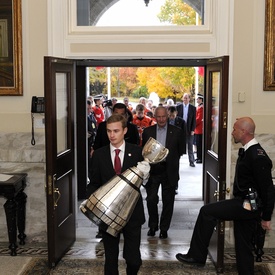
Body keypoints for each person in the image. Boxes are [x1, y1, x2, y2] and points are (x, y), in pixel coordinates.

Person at [175, 117, 275, 275]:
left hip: (248, 205)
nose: (232, 132)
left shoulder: (257, 155)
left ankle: (196, 255)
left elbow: (268, 188)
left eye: (235, 129)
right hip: (245, 203)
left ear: (244, 131)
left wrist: (266, 217)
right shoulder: (249, 151)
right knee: (243, 247)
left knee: (207, 211)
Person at [87, 114, 146, 275]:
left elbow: (149, 179)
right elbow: (94, 182)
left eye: (116, 131)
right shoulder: (99, 155)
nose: (112, 135)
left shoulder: (137, 152)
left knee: (133, 259)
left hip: (132, 215)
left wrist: (147, 174)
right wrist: (92, 200)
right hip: (107, 216)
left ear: (125, 131)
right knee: (110, 260)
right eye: (108, 131)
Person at [142, 106, 186, 239]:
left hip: (169, 171)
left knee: (168, 202)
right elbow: (143, 152)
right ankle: (153, 225)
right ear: (154, 117)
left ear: (168, 116)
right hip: (153, 171)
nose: (161, 119)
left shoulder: (177, 131)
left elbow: (181, 151)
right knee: (150, 199)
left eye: (163, 116)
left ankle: (164, 228)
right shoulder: (147, 132)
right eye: (158, 116)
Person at [167, 105, 186, 194]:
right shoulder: (165, 121)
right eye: (170, 115)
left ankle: (174, 186)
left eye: (173, 116)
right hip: (166, 147)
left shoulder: (181, 122)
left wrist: (182, 150)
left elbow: (184, 136)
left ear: (176, 114)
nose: (171, 117)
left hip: (176, 148)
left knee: (175, 168)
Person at [176, 93, 196, 167]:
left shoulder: (192, 108)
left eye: (186, 98)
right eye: (184, 98)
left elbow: (194, 120)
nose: (185, 99)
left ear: (189, 99)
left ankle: (191, 161)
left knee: (190, 146)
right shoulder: (178, 107)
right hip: (180, 129)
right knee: (178, 146)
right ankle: (177, 161)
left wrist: (193, 130)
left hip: (189, 129)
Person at [194, 94, 204, 163]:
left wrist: (193, 124)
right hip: (198, 129)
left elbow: (199, 118)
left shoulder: (201, 107)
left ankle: (200, 157)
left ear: (201, 99)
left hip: (199, 129)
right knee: (197, 144)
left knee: (199, 144)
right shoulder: (199, 107)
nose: (197, 100)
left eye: (198, 99)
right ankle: (198, 157)